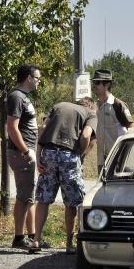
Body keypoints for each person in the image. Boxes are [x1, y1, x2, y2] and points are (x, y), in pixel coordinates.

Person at [31, 97, 97, 254]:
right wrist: (79, 155)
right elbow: (87, 135)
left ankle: (36, 240)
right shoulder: (90, 114)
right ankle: (69, 244)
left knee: (43, 199)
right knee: (72, 202)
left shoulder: (59, 105)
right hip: (69, 155)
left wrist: (39, 154)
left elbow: (44, 127)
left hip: (49, 153)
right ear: (91, 107)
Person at [6, 64, 41, 249]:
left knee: (29, 196)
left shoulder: (24, 97)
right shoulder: (16, 97)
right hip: (21, 153)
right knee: (23, 197)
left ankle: (33, 237)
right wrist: (26, 151)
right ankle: (19, 238)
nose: (39, 81)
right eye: (37, 78)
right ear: (28, 78)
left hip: (27, 151)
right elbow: (12, 127)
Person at [92, 69, 134, 175]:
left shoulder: (117, 105)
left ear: (107, 84)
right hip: (102, 159)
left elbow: (132, 129)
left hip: (118, 159)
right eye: (94, 82)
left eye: (97, 82)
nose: (94, 85)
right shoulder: (95, 106)